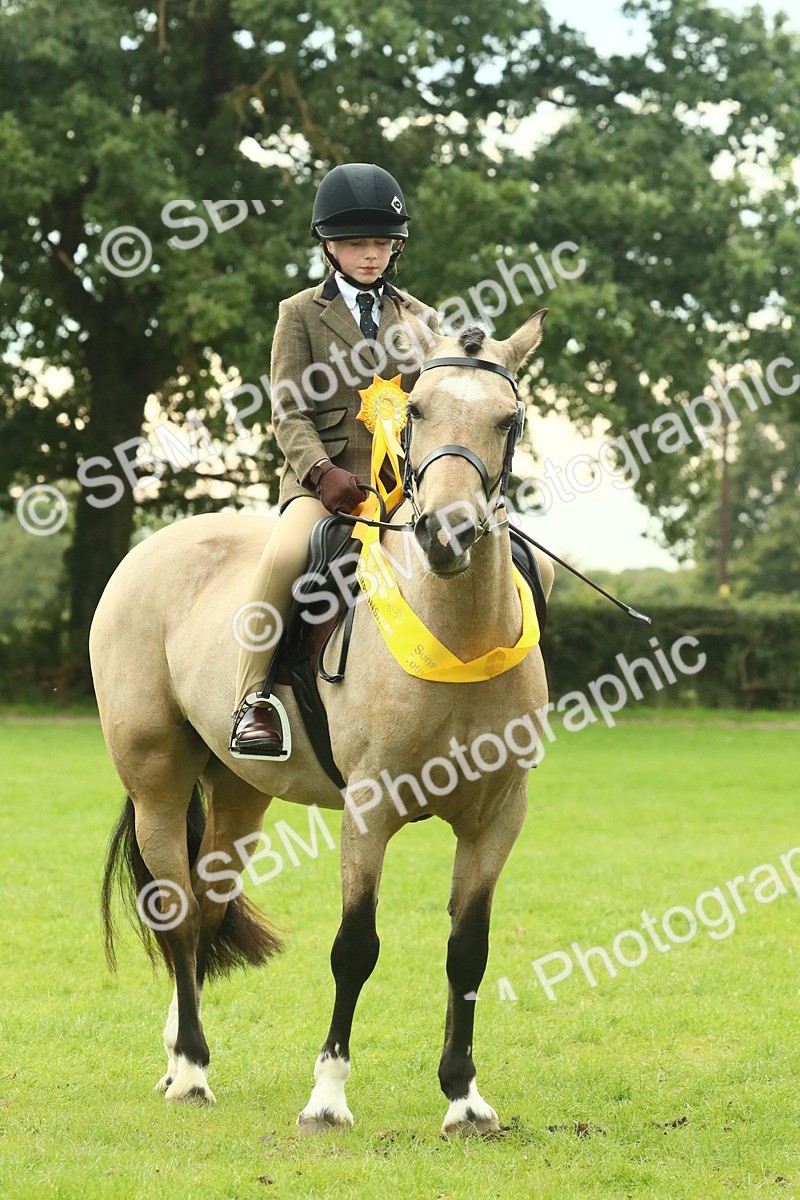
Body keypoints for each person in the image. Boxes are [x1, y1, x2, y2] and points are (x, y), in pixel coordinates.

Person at [230, 162, 439, 758]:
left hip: (402, 488)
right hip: (322, 485)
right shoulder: (298, 313)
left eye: (380, 243)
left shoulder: (423, 319)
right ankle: (253, 700)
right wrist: (321, 473)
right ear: (329, 246)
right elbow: (288, 411)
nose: (370, 255)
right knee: (285, 556)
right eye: (355, 244)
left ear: (396, 246)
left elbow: (431, 406)